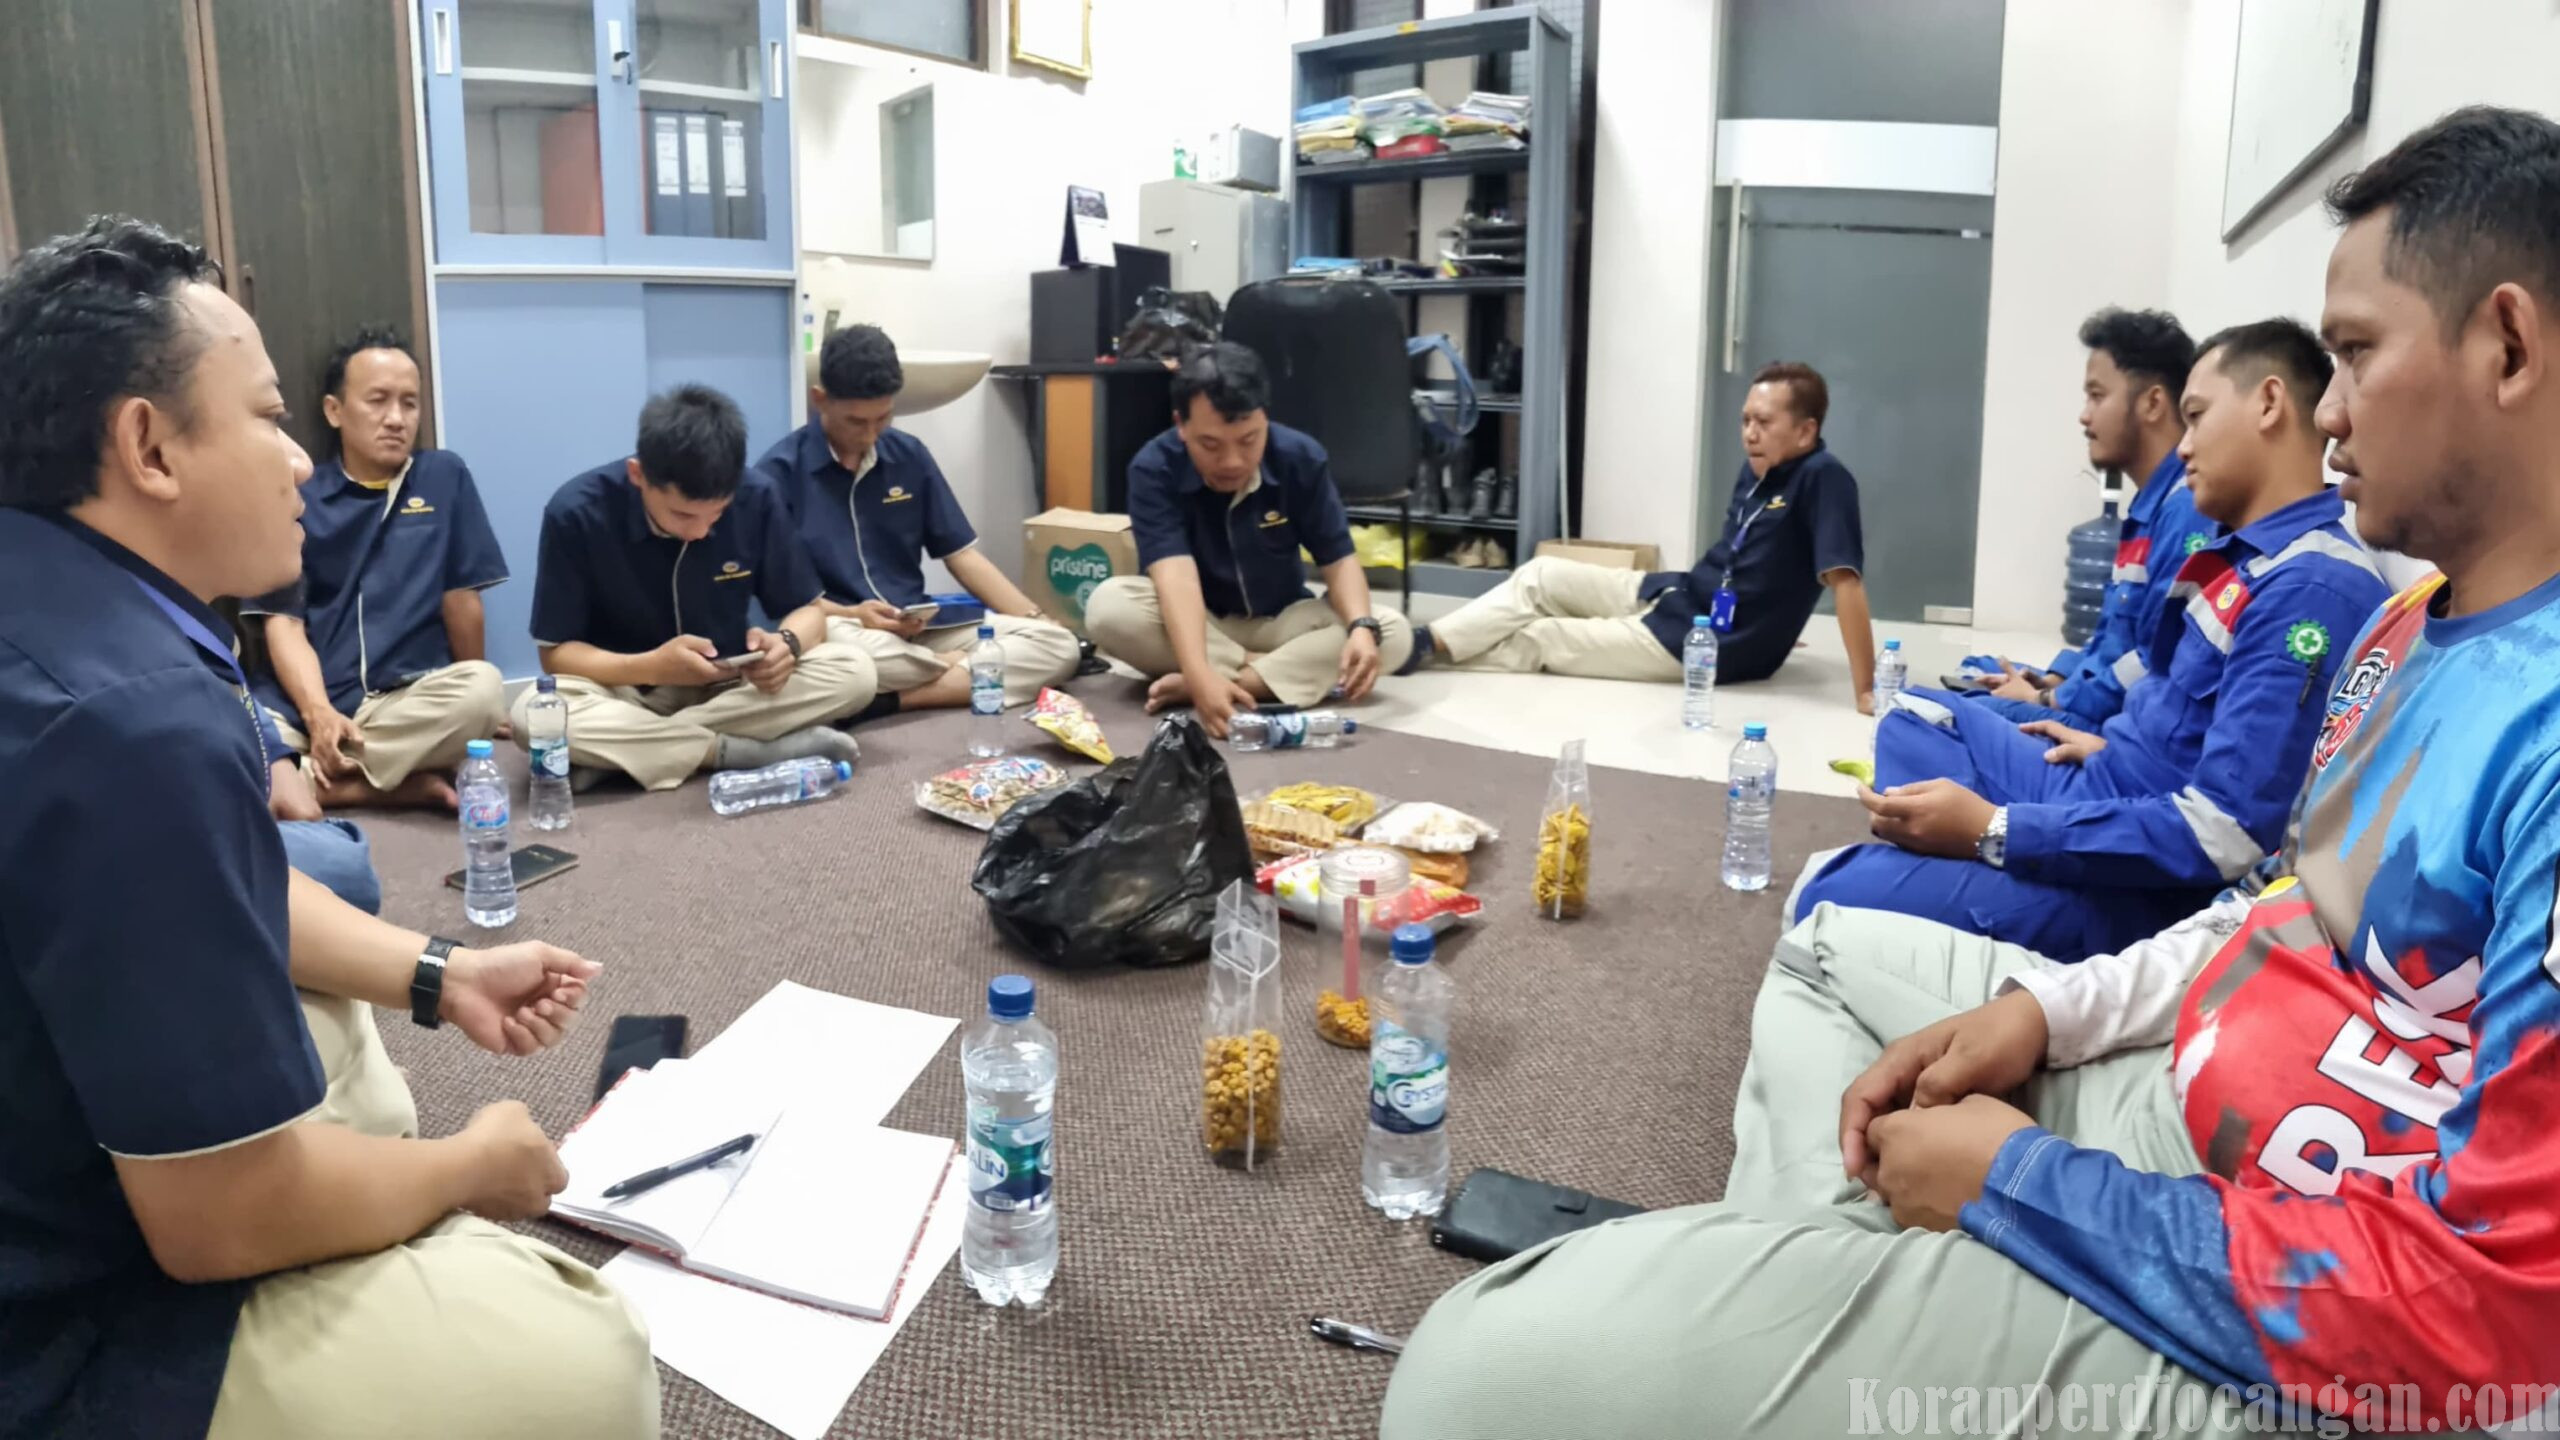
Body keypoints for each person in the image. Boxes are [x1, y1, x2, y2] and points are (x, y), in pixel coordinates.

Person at [1379, 105, 2560, 1440]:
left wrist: (2020, 1185)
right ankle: (1837, 1303)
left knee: (1467, 1378)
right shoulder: (2413, 623)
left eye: (2354, 353)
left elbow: (2497, 1331)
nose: (2334, 403)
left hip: (2299, 1294)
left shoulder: (2383, 628)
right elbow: (2278, 899)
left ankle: (1831, 1305)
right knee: (1830, 943)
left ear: (2507, 346)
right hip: (2202, 1089)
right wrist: (2045, 1022)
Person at [0, 216, 657, 1440]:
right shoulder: (134, 721)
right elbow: (215, 1224)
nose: (298, 461)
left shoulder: (65, 609)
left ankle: (358, 1193)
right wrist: (479, 1165)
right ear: (147, 446)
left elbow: (223, 878)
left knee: (336, 961)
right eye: (265, 418)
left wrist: (442, 971)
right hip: (56, 1338)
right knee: (584, 1358)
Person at [1793, 318, 2388, 961]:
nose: (2182, 447)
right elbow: (2175, 709)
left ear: (2268, 404)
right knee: (1911, 720)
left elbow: (2225, 837)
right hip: (2108, 780)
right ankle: (1954, 872)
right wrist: (2104, 742)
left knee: (1824, 897)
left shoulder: (2311, 590)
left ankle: (1970, 878)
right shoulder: (2247, 556)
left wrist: (1999, 831)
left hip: (2142, 891)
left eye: (2196, 416)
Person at [1402, 361, 1876, 710]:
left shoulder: (1825, 479)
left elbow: (1846, 584)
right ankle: (1427, 640)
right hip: (1676, 593)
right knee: (1540, 575)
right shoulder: (1760, 469)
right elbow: (1753, 561)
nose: (1750, 432)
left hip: (1703, 643)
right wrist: (1778, 621)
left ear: (1805, 430)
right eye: (1746, 419)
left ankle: (1413, 652)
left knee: (1543, 636)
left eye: (1764, 422)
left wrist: (1866, 688)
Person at [518, 385, 874, 791]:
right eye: (684, 514)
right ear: (638, 475)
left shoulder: (757, 495)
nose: (703, 531)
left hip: (728, 687)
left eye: (718, 513)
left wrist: (787, 646)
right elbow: (555, 654)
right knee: (530, 716)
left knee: (856, 670)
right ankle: (740, 753)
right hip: (625, 692)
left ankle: (631, 754)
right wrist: (652, 666)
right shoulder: (576, 512)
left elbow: (809, 609)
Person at [1085, 340, 1414, 737]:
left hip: (1282, 621)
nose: (1232, 462)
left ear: (1265, 419)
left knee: (1390, 631)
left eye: (1248, 440)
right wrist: (1197, 664)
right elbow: (1176, 579)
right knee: (1109, 607)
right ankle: (1256, 676)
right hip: (1198, 622)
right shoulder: (1153, 468)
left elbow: (1339, 559)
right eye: (1211, 444)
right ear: (1180, 425)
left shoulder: (1301, 457)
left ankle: (1227, 685)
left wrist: (1361, 627)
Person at [242, 326, 508, 809]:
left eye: (409, 403)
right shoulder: (300, 494)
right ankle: (387, 783)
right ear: (334, 411)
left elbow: (462, 601)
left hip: (401, 702)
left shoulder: (443, 477)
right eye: (378, 400)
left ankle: (326, 781)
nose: (396, 419)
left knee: (485, 691)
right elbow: (285, 623)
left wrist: (480, 716)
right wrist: (318, 712)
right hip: (305, 702)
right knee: (227, 736)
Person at [754, 324, 1079, 715]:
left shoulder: (909, 455)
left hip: (920, 629)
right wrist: (856, 614)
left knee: (1058, 647)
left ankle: (893, 700)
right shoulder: (777, 476)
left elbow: (962, 556)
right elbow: (795, 603)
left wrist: (1038, 619)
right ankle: (962, 674)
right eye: (857, 422)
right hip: (847, 630)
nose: (871, 434)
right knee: (852, 660)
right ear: (820, 400)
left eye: (883, 418)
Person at [1967, 308, 2214, 726]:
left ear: (2153, 402)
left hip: (2113, 729)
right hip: (2092, 701)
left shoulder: (2185, 511)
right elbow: (2112, 639)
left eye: (2097, 396)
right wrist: (2053, 677)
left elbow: (2152, 660)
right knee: (1974, 669)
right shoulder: (2147, 509)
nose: (2084, 415)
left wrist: (2049, 700)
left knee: (1930, 714)